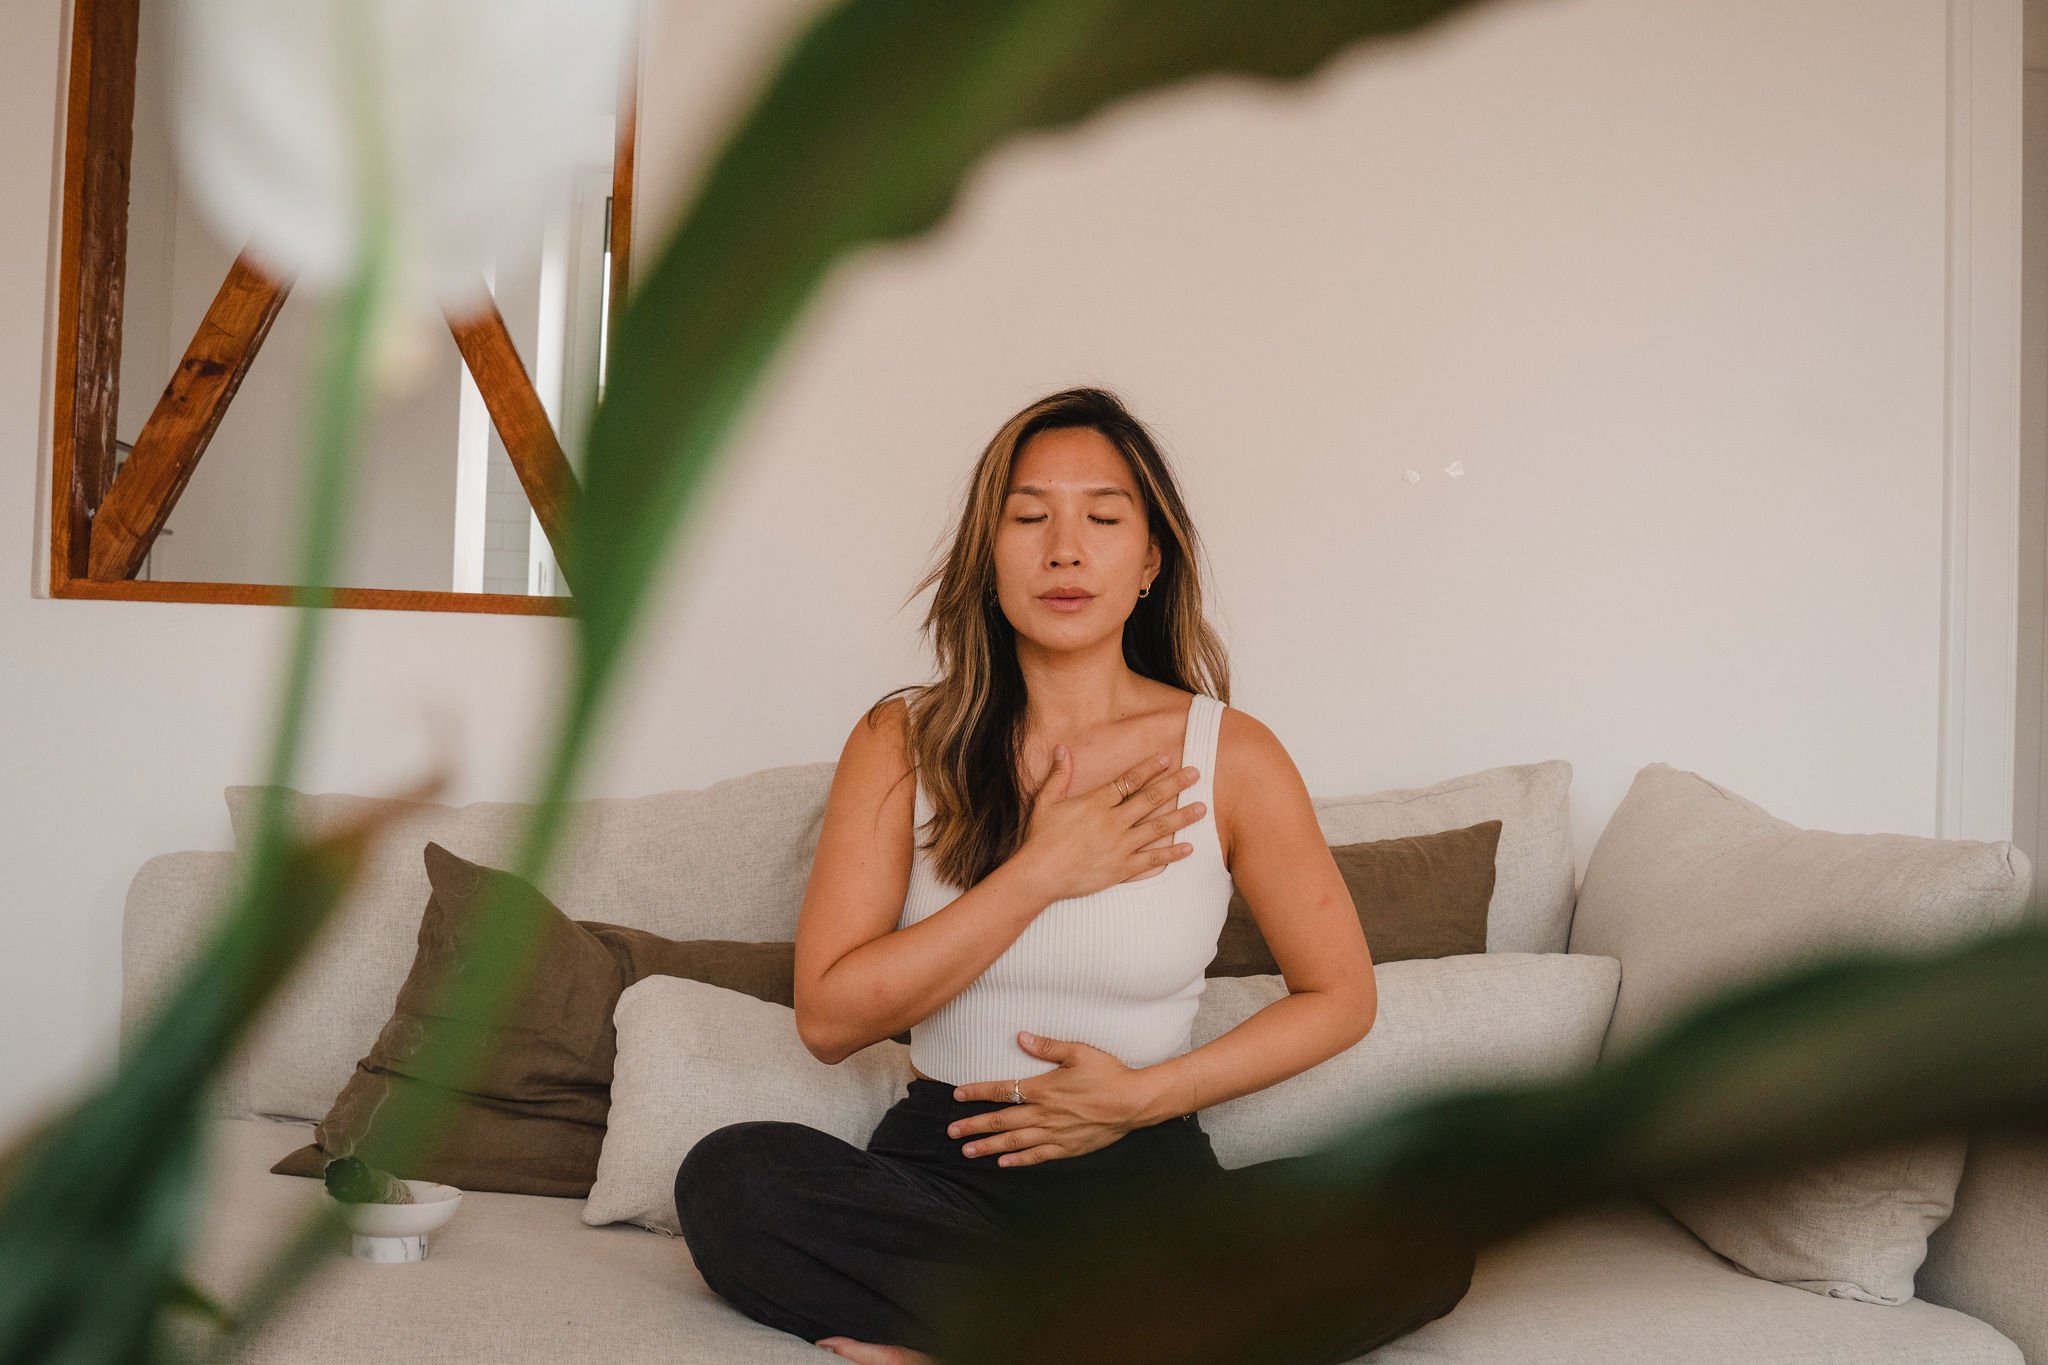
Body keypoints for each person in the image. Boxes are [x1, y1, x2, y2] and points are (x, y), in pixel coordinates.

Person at [672, 387, 1475, 1364]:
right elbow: (829, 1018)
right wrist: (1039, 870)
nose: (1063, 548)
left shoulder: (1235, 757)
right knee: (732, 1176)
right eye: (1027, 516)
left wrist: (1144, 1097)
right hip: (944, 1174)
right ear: (988, 553)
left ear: (1147, 561)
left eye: (1101, 518)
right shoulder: (899, 740)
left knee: (1417, 1223)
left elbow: (1340, 997)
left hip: (1147, 1190)